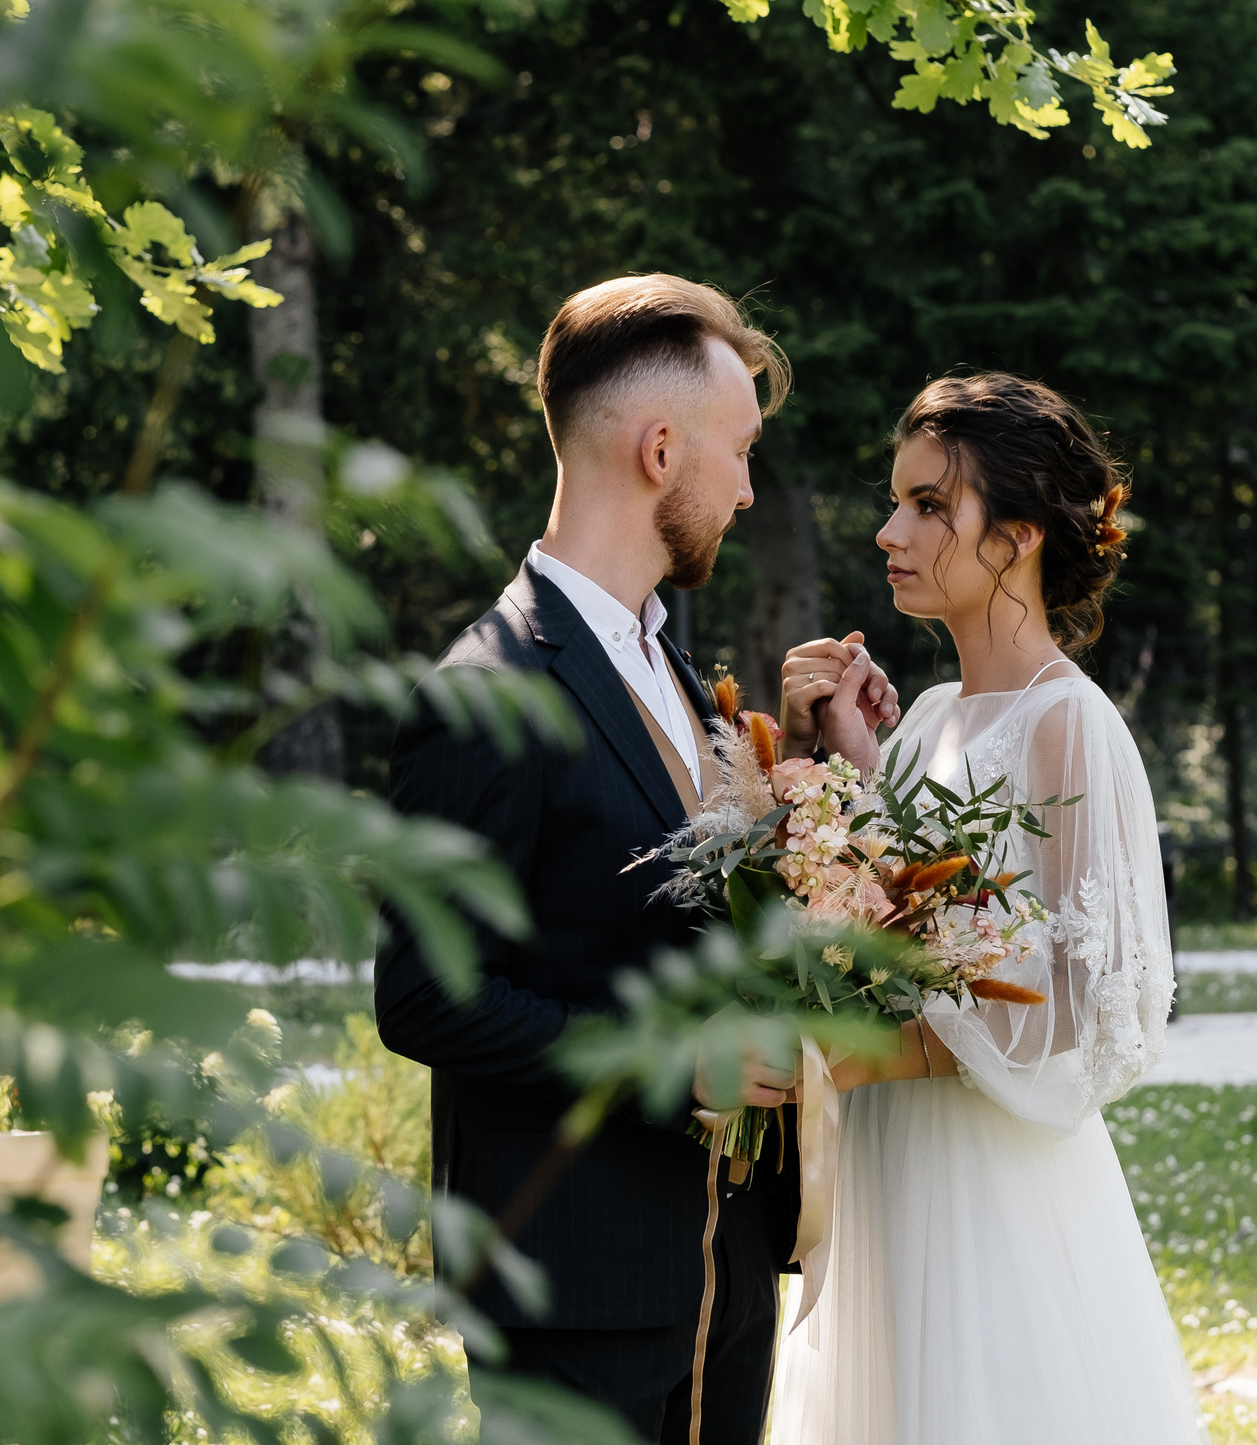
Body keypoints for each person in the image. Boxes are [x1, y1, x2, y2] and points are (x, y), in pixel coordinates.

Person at [375, 274, 898, 1444]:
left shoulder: (671, 665)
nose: (749, 489)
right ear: (662, 450)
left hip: (721, 1268)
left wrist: (804, 778)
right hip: (574, 1286)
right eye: (741, 451)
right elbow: (421, 997)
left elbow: (664, 908)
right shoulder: (484, 692)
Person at [767, 373, 1203, 1445]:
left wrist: (880, 1050)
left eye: (927, 507)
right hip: (885, 1164)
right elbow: (883, 912)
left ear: (1013, 538)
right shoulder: (922, 719)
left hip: (990, 1180)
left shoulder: (1072, 726)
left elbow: (1095, 1003)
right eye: (896, 501)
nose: (888, 531)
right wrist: (836, 769)